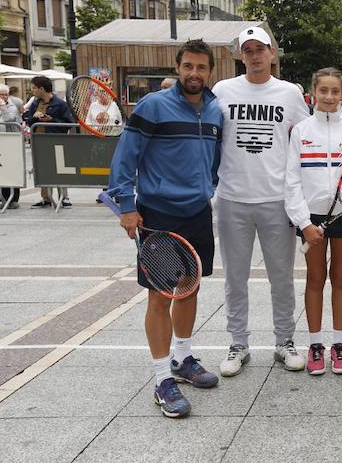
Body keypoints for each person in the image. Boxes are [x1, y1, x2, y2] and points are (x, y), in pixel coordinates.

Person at [107, 39, 223, 418]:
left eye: (201, 68)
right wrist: (126, 206)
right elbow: (125, 158)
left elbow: (215, 161)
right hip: (157, 214)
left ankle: (183, 359)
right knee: (159, 297)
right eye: (188, 66)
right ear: (178, 68)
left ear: (210, 72)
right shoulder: (153, 106)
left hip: (197, 213)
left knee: (189, 289)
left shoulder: (216, 110)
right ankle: (161, 380)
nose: (194, 73)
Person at [212, 27, 310, 378]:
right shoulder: (222, 90)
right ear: (241, 55)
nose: (255, 55)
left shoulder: (289, 93)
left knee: (281, 278)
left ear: (272, 53)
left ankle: (285, 341)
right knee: (234, 278)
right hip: (232, 198)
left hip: (276, 199)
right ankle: (238, 343)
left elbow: (306, 136)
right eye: (248, 50)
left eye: (261, 49)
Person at [285, 68, 342, 375]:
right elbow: (291, 181)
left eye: (335, 91)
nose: (330, 97)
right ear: (313, 92)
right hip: (312, 218)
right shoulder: (301, 131)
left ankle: (339, 344)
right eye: (324, 91)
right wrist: (304, 222)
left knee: (341, 278)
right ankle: (316, 344)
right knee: (315, 278)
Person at [24, 75, 75, 208]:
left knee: (59, 169)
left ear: (42, 89)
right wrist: (34, 118)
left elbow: (69, 124)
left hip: (56, 141)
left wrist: (50, 120)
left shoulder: (60, 104)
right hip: (39, 141)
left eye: (34, 88)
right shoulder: (35, 103)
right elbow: (29, 121)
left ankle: (64, 197)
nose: (32, 90)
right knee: (42, 169)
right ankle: (46, 197)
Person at [1, 84, 23, 209]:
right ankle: (2, 198)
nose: (4, 97)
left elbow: (9, 118)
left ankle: (13, 198)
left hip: (11, 142)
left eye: (5, 94)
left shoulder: (11, 106)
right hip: (1, 143)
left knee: (12, 170)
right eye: (1, 94)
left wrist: (3, 106)